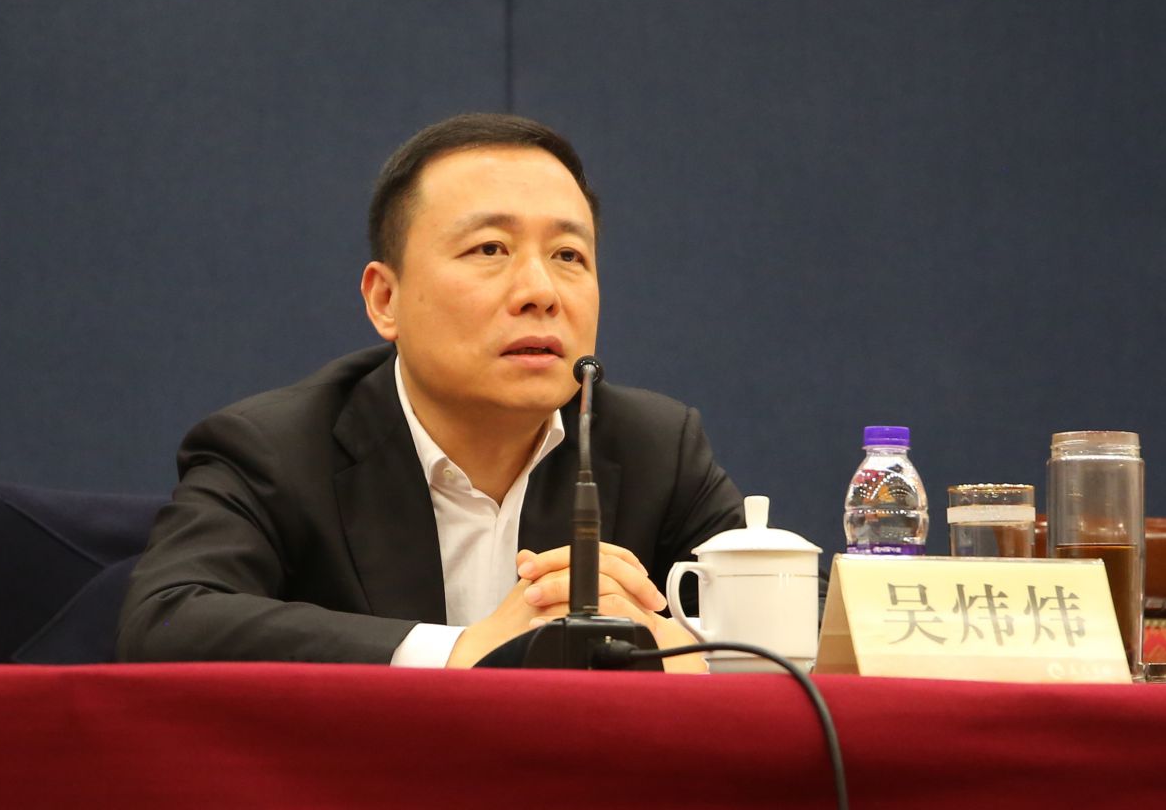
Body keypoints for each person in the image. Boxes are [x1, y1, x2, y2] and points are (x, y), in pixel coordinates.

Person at [117, 113, 744, 670]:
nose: (541, 292)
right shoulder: (275, 451)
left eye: (569, 256)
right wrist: (462, 652)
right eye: (490, 248)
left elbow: (787, 636)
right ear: (385, 299)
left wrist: (675, 650)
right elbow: (165, 620)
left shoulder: (657, 451)